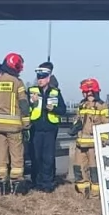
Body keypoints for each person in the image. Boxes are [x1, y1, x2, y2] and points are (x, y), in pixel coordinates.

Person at [0, 53, 31, 195]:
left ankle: (2, 184)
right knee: (16, 156)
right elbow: (24, 105)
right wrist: (26, 124)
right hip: (14, 127)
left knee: (1, 156)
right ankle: (16, 185)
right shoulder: (18, 83)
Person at [28, 62, 66, 192]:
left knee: (48, 158)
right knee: (36, 157)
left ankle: (47, 184)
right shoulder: (31, 92)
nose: (40, 80)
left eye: (43, 77)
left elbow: (63, 110)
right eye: (38, 77)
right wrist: (30, 102)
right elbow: (24, 109)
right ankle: (36, 183)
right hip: (36, 129)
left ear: (48, 78)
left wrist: (53, 109)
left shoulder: (55, 92)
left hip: (50, 129)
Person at [70, 78, 109, 197]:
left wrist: (103, 141)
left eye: (89, 93)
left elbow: (105, 125)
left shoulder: (102, 106)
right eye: (86, 93)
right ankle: (83, 191)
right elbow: (78, 120)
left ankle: (95, 194)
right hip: (80, 143)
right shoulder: (82, 105)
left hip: (94, 144)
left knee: (94, 169)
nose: (88, 95)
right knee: (78, 167)